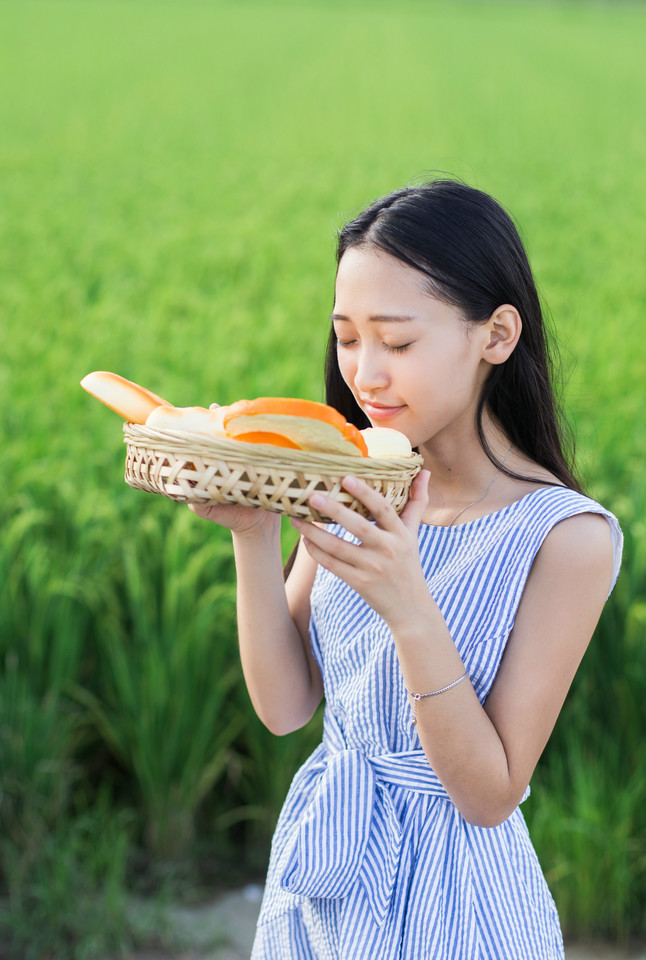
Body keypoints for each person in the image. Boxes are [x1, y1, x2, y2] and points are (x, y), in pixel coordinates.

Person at [190, 180, 622, 960]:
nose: (364, 373)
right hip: (322, 886)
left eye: (397, 341)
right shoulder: (355, 483)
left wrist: (408, 606)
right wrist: (253, 537)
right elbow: (287, 708)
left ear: (495, 335)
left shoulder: (566, 538)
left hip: (457, 906)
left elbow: (489, 794)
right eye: (347, 338)